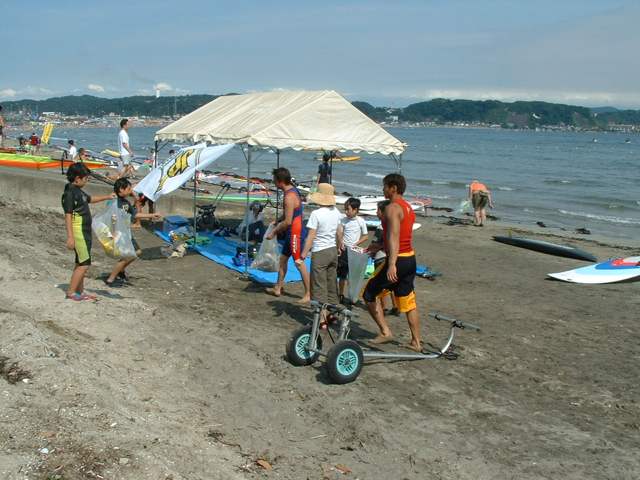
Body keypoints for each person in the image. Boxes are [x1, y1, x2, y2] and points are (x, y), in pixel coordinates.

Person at [362, 173, 422, 352]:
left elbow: (394, 236)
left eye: (385, 186)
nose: (383, 189)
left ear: (393, 188)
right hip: (410, 258)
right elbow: (400, 235)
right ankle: (416, 342)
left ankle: (385, 331)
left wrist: (391, 264)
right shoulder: (408, 207)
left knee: (368, 294)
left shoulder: (392, 208)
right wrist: (380, 245)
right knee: (408, 301)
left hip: (398, 260)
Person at [62, 163, 114, 301]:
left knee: (80, 262)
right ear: (77, 178)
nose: (87, 181)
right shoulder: (69, 193)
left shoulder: (78, 190)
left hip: (85, 231)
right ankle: (71, 292)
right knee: (84, 263)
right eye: (85, 178)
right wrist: (70, 237)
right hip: (78, 231)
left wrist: (107, 197)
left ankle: (79, 291)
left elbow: (89, 199)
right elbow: (68, 215)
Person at [104, 178, 162, 287]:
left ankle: (120, 271)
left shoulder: (126, 203)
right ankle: (111, 279)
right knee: (129, 255)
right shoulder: (114, 202)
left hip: (126, 233)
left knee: (137, 252)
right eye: (129, 189)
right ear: (121, 190)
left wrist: (151, 215)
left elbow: (135, 214)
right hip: (119, 233)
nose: (131, 191)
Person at [265, 167, 311, 303]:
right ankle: (278, 288)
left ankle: (309, 293)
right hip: (292, 231)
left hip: (296, 233)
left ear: (280, 181)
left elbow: (288, 221)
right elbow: (287, 214)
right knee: (283, 259)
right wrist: (277, 220)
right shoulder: (292, 190)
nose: (273, 183)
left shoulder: (289, 196)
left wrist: (274, 232)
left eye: (274, 180)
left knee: (299, 263)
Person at [299, 183, 342, 305]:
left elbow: (311, 236)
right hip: (332, 250)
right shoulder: (336, 212)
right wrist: (339, 246)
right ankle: (332, 310)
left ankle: (321, 315)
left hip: (320, 251)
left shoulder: (316, 214)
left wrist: (303, 255)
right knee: (331, 283)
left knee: (318, 285)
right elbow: (339, 232)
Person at [336, 197, 368, 303]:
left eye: (348, 209)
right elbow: (340, 233)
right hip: (344, 250)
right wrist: (340, 244)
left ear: (355, 210)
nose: (346, 211)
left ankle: (352, 296)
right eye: (345, 209)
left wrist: (355, 244)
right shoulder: (343, 220)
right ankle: (341, 294)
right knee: (342, 274)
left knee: (352, 276)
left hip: (354, 251)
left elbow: (365, 236)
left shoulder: (360, 221)